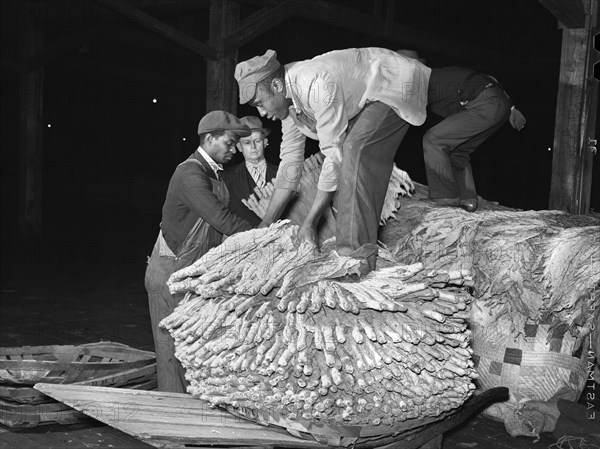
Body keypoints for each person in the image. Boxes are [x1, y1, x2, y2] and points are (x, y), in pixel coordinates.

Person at [234, 48, 430, 273]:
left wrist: (310, 222)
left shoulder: (315, 84)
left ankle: (356, 258)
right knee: (344, 172)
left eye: (260, 103)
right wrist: (265, 225)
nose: (261, 113)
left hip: (391, 84)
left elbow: (333, 155)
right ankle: (350, 242)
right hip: (361, 99)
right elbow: (290, 163)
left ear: (277, 86)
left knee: (354, 152)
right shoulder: (289, 101)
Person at [144, 110, 253, 393]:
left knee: (192, 351)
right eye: (229, 143)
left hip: (192, 275)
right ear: (209, 138)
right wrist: (266, 236)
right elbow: (222, 220)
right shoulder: (190, 173)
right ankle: (172, 425)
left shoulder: (213, 173)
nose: (233, 150)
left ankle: (190, 416)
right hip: (171, 275)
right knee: (172, 353)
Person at [398, 50, 526, 212]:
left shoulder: (425, 79)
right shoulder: (439, 80)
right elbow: (491, 79)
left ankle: (444, 196)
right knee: (458, 151)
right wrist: (511, 107)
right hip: (497, 106)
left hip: (486, 104)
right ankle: (467, 199)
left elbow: (403, 111)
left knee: (434, 139)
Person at [222, 116, 278, 226]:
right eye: (247, 142)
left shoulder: (281, 173)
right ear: (239, 147)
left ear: (265, 142)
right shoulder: (226, 178)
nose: (253, 146)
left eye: (257, 141)